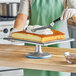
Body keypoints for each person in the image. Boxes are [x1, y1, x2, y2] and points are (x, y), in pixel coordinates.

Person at [10, 0, 76, 76]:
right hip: (34, 46)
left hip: (59, 46)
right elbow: (22, 16)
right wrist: (16, 31)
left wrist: (74, 12)